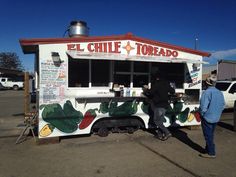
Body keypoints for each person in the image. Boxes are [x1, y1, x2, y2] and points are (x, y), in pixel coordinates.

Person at [143, 70, 175, 141]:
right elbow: (173, 91)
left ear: (157, 78)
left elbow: (150, 93)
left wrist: (145, 90)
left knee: (156, 121)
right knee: (160, 120)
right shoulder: (167, 83)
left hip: (158, 105)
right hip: (165, 105)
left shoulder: (156, 84)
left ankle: (167, 133)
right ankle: (160, 135)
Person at [199, 75, 225, 158]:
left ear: (207, 83)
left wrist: (203, 114)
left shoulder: (206, 92)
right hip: (216, 117)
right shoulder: (219, 92)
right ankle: (207, 149)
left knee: (208, 135)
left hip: (207, 117)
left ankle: (211, 153)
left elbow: (203, 107)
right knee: (210, 134)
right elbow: (223, 105)